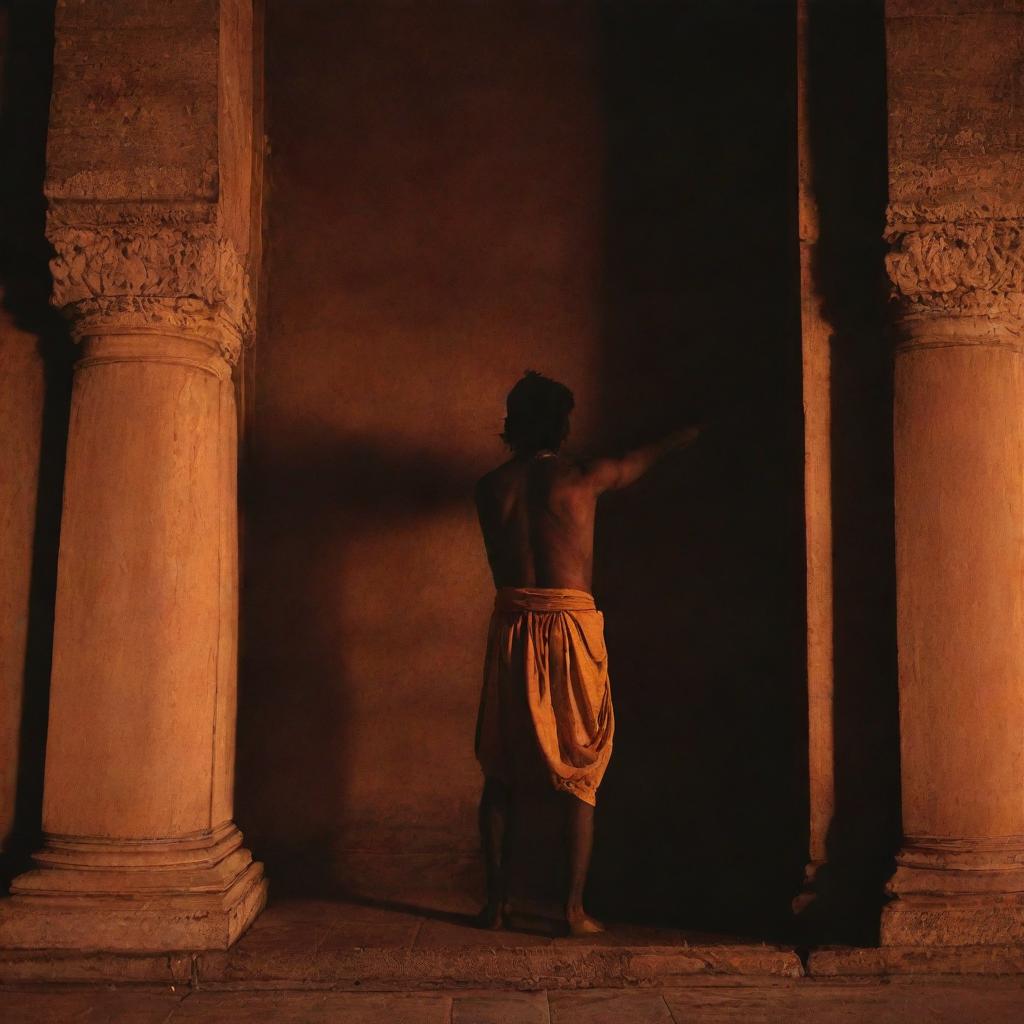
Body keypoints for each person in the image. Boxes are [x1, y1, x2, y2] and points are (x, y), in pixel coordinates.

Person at [473, 370, 700, 936]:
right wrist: (684, 434)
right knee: (582, 767)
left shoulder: (490, 488)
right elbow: (637, 461)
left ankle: (496, 906)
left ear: (511, 425)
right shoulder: (580, 477)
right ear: (561, 423)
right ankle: (572, 912)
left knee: (501, 770)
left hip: (512, 625)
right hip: (569, 627)